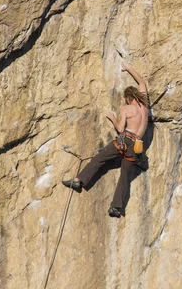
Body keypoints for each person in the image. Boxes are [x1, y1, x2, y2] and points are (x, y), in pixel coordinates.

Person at [62, 60, 149, 218]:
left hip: (125, 140)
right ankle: (116, 208)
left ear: (128, 98)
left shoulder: (126, 108)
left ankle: (79, 180)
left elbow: (121, 129)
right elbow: (141, 81)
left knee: (100, 158)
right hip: (137, 145)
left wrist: (112, 118)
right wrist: (128, 67)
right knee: (125, 177)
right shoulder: (145, 105)